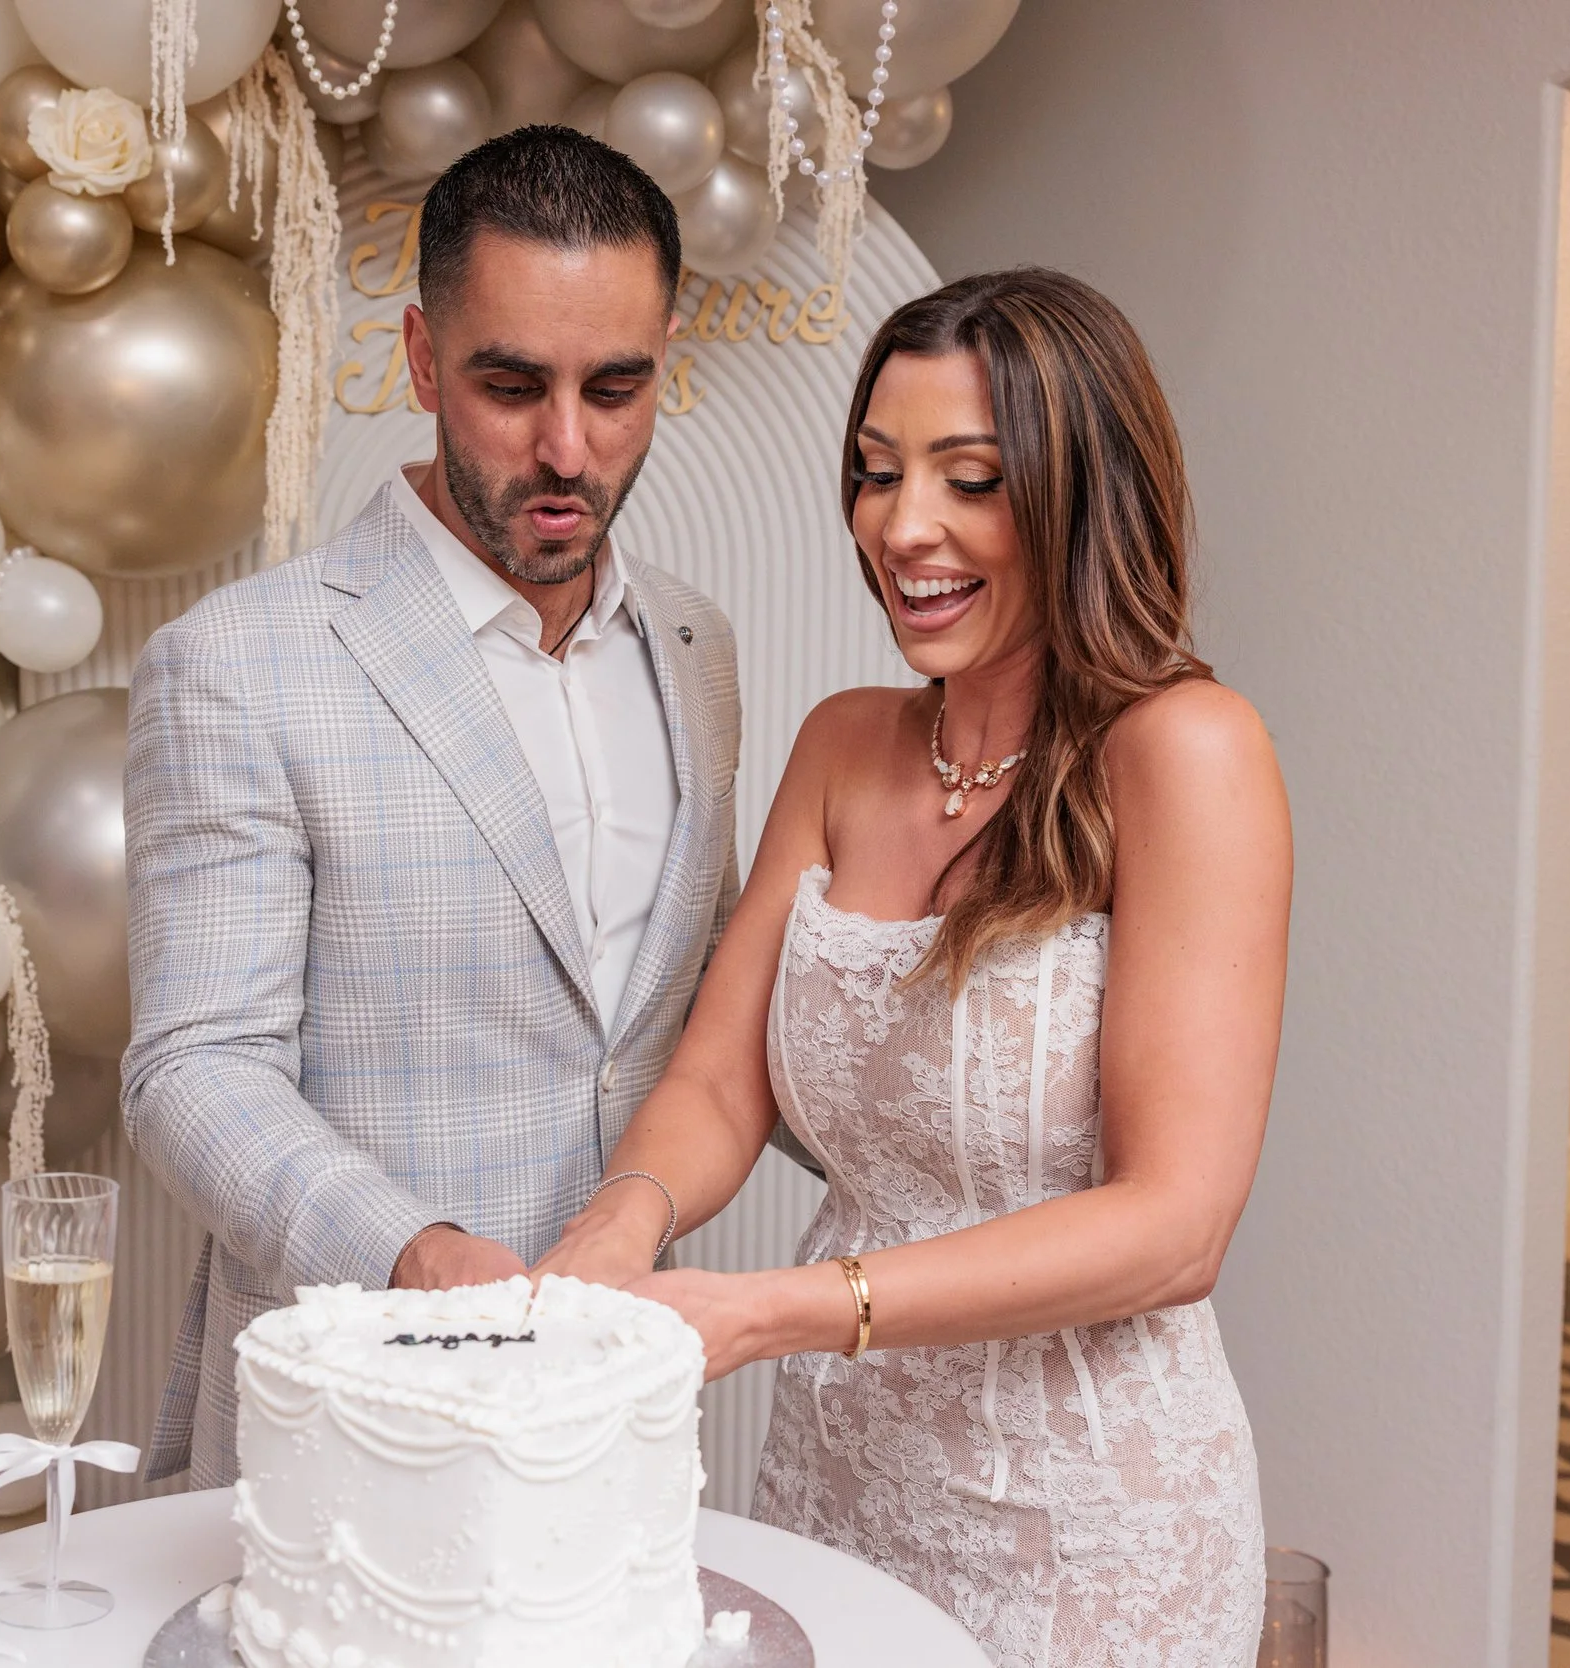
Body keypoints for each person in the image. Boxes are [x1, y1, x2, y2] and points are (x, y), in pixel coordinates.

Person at [538, 268, 1287, 1664]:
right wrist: (619, 1225)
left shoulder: (1186, 753)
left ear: (1082, 496)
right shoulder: (842, 743)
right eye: (879, 473)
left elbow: (1175, 1226)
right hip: (834, 1483)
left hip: (1088, 1528)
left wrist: (772, 1310)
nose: (904, 526)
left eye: (972, 478)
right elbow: (718, 1081)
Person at [120, 126, 741, 1488]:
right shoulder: (239, 664)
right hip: (349, 1429)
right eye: (510, 385)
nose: (566, 448)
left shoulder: (698, 652)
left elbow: (706, 1016)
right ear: (419, 360)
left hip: (623, 1427)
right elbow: (194, 1067)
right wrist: (412, 1254)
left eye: (616, 386)